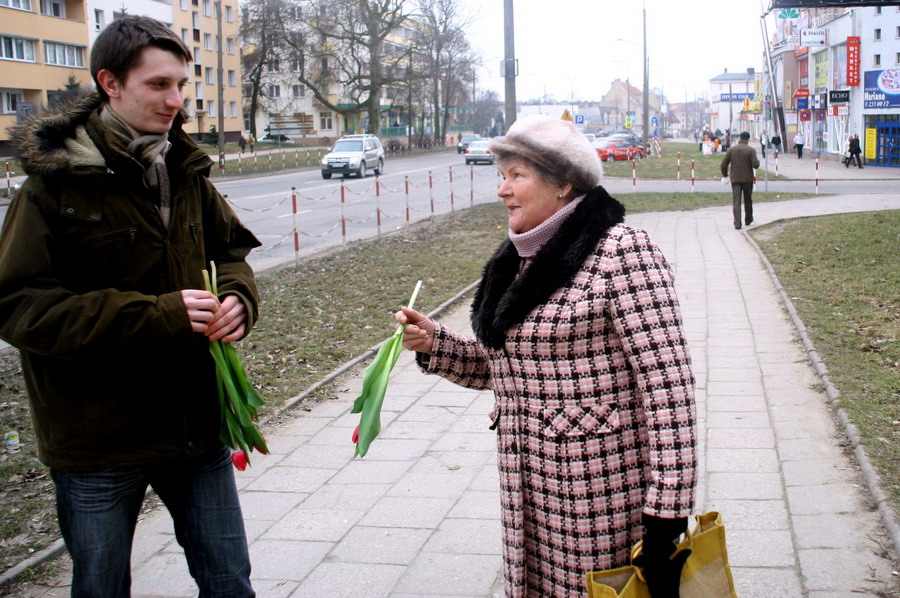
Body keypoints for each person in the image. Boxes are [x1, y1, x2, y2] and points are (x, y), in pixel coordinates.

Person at [0, 16, 260, 597]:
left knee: (230, 582)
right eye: (159, 85)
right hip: (97, 440)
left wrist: (238, 300)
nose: (177, 101)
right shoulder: (53, 185)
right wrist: (158, 316)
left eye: (182, 86)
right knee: (100, 589)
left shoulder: (185, 169)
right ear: (110, 83)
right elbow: (20, 306)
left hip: (195, 427)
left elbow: (232, 252)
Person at [395, 114, 697, 597]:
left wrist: (667, 514)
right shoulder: (518, 260)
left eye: (517, 176)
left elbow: (668, 388)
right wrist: (437, 344)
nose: (503, 190)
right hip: (526, 495)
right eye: (502, 176)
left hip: (600, 501)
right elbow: (513, 370)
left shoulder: (621, 252)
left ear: (564, 185)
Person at [721, 131, 760, 230]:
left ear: (740, 138)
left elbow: (723, 165)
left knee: (736, 201)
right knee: (748, 200)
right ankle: (748, 219)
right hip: (747, 179)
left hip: (735, 179)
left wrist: (725, 175)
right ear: (747, 139)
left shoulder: (731, 150)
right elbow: (756, 165)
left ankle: (737, 223)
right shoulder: (750, 150)